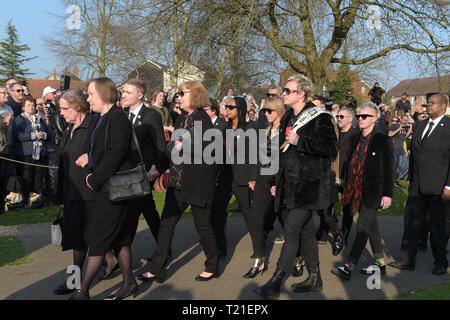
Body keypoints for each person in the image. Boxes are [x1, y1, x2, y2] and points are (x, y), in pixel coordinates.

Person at [254, 74, 338, 298]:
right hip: (290, 183)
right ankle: (315, 277)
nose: (283, 94)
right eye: (284, 89)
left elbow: (331, 147)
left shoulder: (320, 117)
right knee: (306, 231)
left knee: (291, 231)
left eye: (288, 90)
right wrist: (276, 182)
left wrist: (300, 141)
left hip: (310, 185)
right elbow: (283, 155)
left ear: (302, 93)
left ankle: (276, 281)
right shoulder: (290, 116)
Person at [137, 81, 219, 283]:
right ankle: (157, 269)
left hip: (198, 184)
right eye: (178, 94)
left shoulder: (203, 121)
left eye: (182, 93)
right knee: (166, 225)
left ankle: (213, 265)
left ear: (196, 95)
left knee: (203, 227)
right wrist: (157, 168)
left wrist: (183, 146)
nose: (178, 97)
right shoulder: (181, 118)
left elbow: (209, 154)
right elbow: (169, 149)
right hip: (177, 183)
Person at [70, 77, 137, 300]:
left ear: (104, 94)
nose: (88, 99)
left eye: (91, 94)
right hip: (106, 189)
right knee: (120, 239)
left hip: (113, 190)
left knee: (97, 241)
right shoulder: (104, 118)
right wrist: (89, 159)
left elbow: (115, 154)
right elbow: (102, 150)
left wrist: (94, 177)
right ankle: (129, 282)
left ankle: (82, 291)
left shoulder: (117, 119)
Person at [389, 94, 450, 275]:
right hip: (417, 185)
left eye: (432, 103)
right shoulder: (420, 126)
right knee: (411, 222)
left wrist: (449, 186)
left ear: (443, 106)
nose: (427, 106)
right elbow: (415, 155)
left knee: (438, 226)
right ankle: (407, 260)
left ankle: (440, 262)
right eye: (427, 103)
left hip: (439, 186)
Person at [333, 102, 394, 280]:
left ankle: (349, 265)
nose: (360, 119)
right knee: (372, 228)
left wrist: (388, 194)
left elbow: (390, 169)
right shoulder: (355, 138)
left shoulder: (383, 140)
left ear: (374, 119)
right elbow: (350, 162)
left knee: (362, 226)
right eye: (359, 116)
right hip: (355, 189)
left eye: (364, 116)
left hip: (374, 192)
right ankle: (380, 264)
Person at [52, 89, 98, 295]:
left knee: (80, 242)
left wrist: (90, 156)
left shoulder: (93, 125)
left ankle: (74, 282)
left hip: (87, 193)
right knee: (75, 240)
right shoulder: (70, 128)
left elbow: (108, 151)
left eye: (64, 108)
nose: (61, 113)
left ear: (78, 106)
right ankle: (111, 261)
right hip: (70, 191)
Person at [120, 79, 169, 258]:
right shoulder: (123, 115)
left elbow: (161, 147)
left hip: (144, 175)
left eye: (128, 92)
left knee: (133, 215)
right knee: (148, 213)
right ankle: (164, 249)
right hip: (127, 174)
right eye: (123, 91)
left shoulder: (150, 116)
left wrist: (156, 168)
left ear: (140, 95)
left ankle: (121, 256)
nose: (123, 95)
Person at [243, 96, 286, 278]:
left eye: (270, 111)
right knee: (255, 219)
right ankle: (259, 260)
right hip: (261, 180)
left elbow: (288, 161)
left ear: (279, 111)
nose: (266, 114)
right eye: (264, 111)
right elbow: (258, 158)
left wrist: (280, 183)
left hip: (280, 182)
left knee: (288, 223)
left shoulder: (287, 132)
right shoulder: (266, 130)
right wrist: (253, 178)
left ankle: (299, 258)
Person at [12, 96, 50, 208]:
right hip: (26, 153)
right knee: (27, 177)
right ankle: (25, 199)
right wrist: (34, 136)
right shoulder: (19, 119)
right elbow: (17, 136)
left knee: (38, 176)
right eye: (28, 105)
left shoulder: (39, 118)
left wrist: (44, 135)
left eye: (33, 105)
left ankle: (37, 200)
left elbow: (49, 134)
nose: (31, 107)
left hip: (40, 152)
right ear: (23, 107)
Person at [204, 98, 230, 259]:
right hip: (205, 174)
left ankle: (221, 246)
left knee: (218, 212)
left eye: (205, 109)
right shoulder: (200, 126)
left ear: (213, 110)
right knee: (207, 210)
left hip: (221, 173)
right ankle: (210, 239)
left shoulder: (223, 127)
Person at [388, 114, 411, 184]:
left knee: (398, 165)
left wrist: (405, 150)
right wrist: (398, 129)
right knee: (393, 165)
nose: (405, 121)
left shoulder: (406, 128)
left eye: (406, 120)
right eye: (403, 119)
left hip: (400, 149)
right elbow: (389, 134)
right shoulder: (394, 126)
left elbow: (403, 139)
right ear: (400, 119)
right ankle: (390, 181)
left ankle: (395, 180)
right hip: (394, 148)